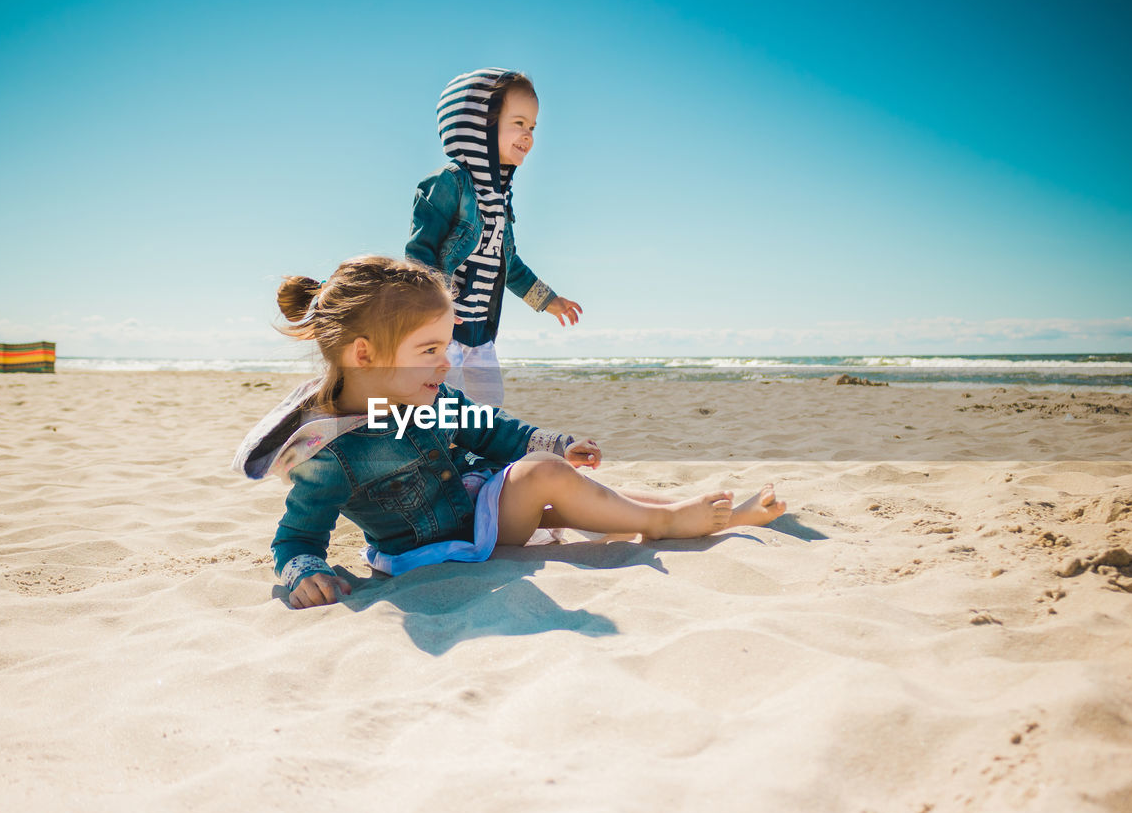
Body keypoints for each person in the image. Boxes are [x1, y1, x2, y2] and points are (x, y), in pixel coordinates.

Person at [233, 256, 786, 609]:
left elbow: (490, 431)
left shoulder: (425, 399)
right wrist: (304, 570)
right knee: (545, 479)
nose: (445, 363)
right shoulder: (332, 452)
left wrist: (553, 441)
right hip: (439, 550)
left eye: (446, 346)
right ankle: (666, 522)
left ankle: (687, 511)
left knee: (564, 487)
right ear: (365, 355)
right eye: (428, 350)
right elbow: (299, 535)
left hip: (479, 509)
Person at [406, 68, 582, 407]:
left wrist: (548, 300)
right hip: (444, 334)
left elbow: (509, 264)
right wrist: (433, 304)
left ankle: (477, 459)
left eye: (532, 127)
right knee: (440, 408)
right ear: (478, 126)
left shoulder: (500, 198)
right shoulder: (448, 183)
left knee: (488, 408)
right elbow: (420, 254)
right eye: (518, 123)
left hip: (481, 335)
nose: (528, 135)